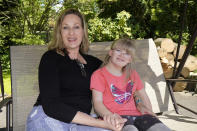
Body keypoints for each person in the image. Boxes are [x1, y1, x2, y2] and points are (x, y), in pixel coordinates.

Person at [26, 9, 125, 131]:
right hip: (48, 117)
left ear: (83, 31)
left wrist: (140, 102)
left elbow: (124, 75)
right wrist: (102, 124)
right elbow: (51, 106)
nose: (71, 33)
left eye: (76, 27)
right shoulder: (51, 58)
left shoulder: (94, 63)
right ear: (59, 32)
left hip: (82, 122)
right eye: (65, 28)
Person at [90, 38, 172, 131]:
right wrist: (109, 115)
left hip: (137, 115)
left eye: (127, 53)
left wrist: (149, 111)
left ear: (130, 59)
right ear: (110, 52)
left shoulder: (133, 74)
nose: (122, 55)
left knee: (160, 127)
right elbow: (97, 103)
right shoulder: (99, 75)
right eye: (118, 50)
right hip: (116, 118)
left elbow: (143, 95)